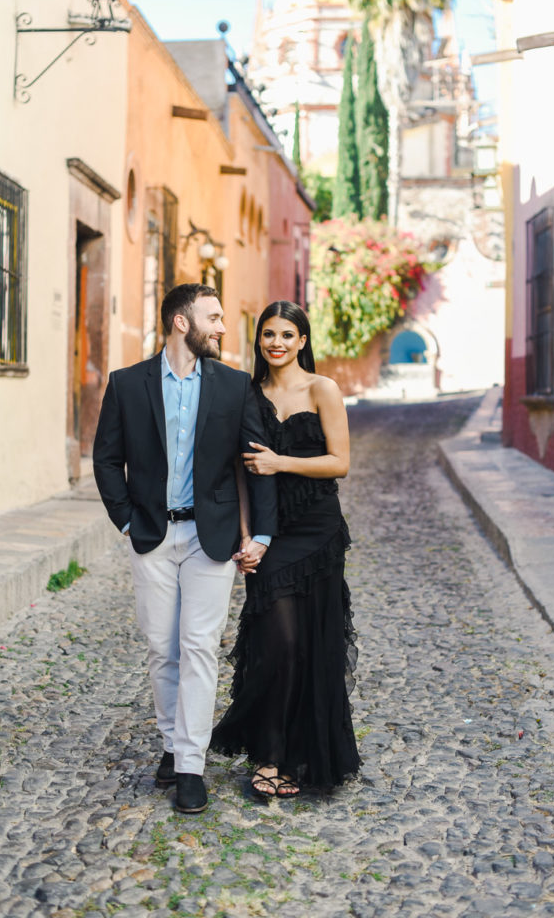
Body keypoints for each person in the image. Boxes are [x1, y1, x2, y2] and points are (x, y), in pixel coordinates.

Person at [92, 284, 278, 814]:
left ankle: (191, 765)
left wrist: (260, 533)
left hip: (210, 537)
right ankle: (172, 746)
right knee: (161, 647)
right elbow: (107, 459)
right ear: (180, 321)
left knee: (198, 647)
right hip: (151, 535)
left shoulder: (233, 385)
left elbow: (254, 459)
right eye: (213, 317)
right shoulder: (127, 385)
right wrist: (127, 520)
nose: (221, 327)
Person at [211, 301, 360, 797]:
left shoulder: (324, 389)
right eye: (268, 334)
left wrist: (281, 463)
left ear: (302, 341)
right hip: (272, 537)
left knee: (315, 645)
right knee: (278, 644)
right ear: (260, 341)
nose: (276, 342)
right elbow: (240, 472)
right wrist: (248, 536)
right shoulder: (247, 394)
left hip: (317, 532)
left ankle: (300, 757)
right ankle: (268, 754)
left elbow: (339, 463)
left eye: (287, 334)